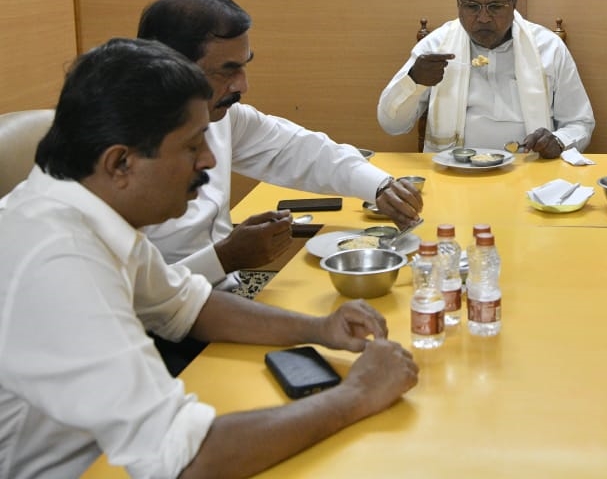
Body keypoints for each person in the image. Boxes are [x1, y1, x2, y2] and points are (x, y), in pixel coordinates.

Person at [0, 38, 419, 479]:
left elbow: (189, 307)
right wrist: (357, 395)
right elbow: (188, 460)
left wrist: (320, 329)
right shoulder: (57, 261)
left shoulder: (89, 211)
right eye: (192, 145)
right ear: (120, 163)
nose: (211, 159)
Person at [136, 0, 423, 292]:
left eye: (244, 66)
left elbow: (295, 148)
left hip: (222, 299)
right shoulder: (117, 155)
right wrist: (224, 258)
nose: (242, 86)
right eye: (227, 71)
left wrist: (379, 186)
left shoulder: (220, 117)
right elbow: (130, 295)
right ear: (171, 67)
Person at [377, 0, 595, 158]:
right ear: (458, 4)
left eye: (495, 6)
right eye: (472, 6)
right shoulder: (437, 47)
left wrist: (558, 141)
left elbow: (580, 122)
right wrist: (414, 81)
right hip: (455, 173)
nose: (483, 18)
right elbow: (391, 123)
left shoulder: (548, 47)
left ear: (514, 4)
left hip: (530, 173)